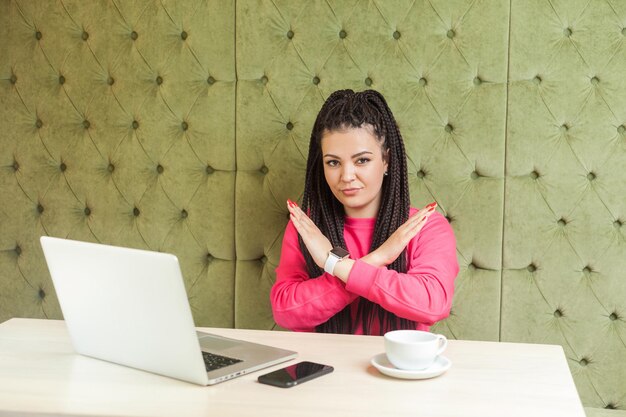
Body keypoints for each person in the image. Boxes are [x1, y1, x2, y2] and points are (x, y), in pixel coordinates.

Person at [271, 89, 459, 335]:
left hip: (394, 370)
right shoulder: (308, 229)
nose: (347, 176)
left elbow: (432, 303)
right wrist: (377, 259)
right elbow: (285, 311)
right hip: (319, 370)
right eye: (333, 162)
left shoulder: (424, 227)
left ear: (386, 160)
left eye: (362, 160)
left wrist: (334, 264)